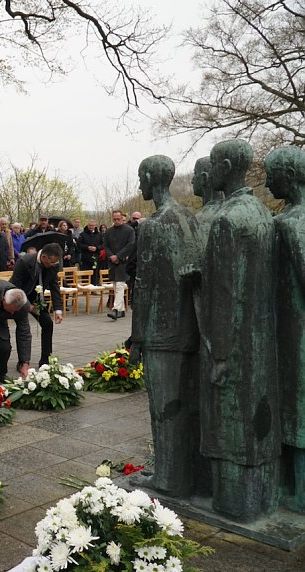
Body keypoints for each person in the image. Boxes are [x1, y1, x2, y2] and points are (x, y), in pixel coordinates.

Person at [199, 139, 280, 521]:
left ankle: (233, 505)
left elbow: (225, 295)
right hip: (261, 340)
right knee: (255, 423)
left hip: (234, 343)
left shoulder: (228, 219)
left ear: (226, 166)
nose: (210, 172)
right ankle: (258, 502)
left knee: (231, 425)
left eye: (213, 165)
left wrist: (219, 355)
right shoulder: (262, 213)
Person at [129, 155, 203, 499]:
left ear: (149, 177)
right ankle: (183, 472)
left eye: (140, 177)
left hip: (163, 331)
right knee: (184, 405)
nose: (139, 184)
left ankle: (169, 479)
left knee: (164, 408)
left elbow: (144, 284)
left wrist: (137, 337)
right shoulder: (189, 216)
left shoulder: (154, 224)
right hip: (189, 327)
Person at [265, 146, 305, 512]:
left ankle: (300, 493)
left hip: (296, 331)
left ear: (290, 176)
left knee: (297, 405)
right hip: (288, 327)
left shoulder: (293, 223)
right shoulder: (289, 217)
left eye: (271, 174)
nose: (266, 181)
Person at [10, 242, 64, 375]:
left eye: (56, 262)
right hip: (18, 297)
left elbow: (54, 286)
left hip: (37, 299)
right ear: (44, 257)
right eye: (52, 262)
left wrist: (58, 310)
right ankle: (23, 362)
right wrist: (27, 305)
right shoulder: (24, 262)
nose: (54, 265)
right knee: (24, 328)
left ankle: (46, 360)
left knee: (47, 323)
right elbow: (15, 287)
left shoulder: (53, 265)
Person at [102, 210, 135, 320]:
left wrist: (119, 256)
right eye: (114, 219)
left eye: (118, 219)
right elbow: (105, 246)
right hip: (112, 262)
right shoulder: (109, 232)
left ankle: (115, 309)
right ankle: (121, 310)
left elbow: (130, 245)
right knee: (115, 285)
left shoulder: (129, 230)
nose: (116, 221)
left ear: (122, 218)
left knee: (120, 286)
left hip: (123, 262)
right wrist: (112, 256)